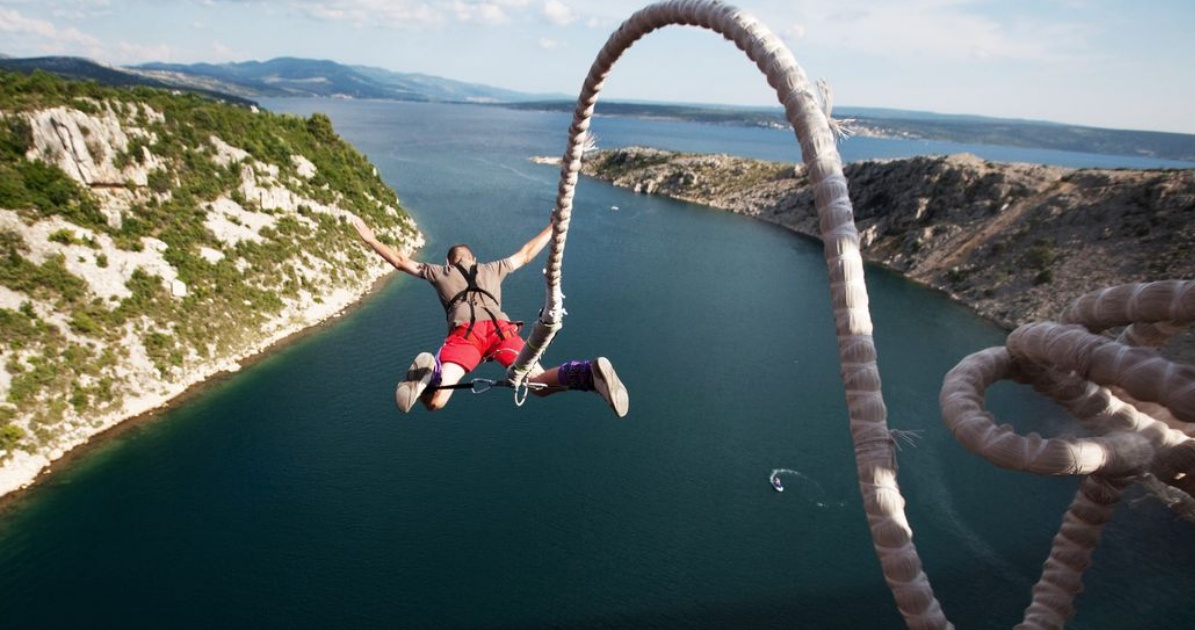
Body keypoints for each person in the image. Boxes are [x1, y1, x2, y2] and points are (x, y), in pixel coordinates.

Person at [351, 215, 629, 417]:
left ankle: (430, 373)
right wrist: (554, 226)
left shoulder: (440, 271)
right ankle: (588, 372)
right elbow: (526, 254)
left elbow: (401, 262)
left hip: (465, 336)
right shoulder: (493, 268)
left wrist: (371, 239)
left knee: (436, 402)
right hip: (501, 333)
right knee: (539, 385)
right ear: (474, 258)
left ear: (450, 261)